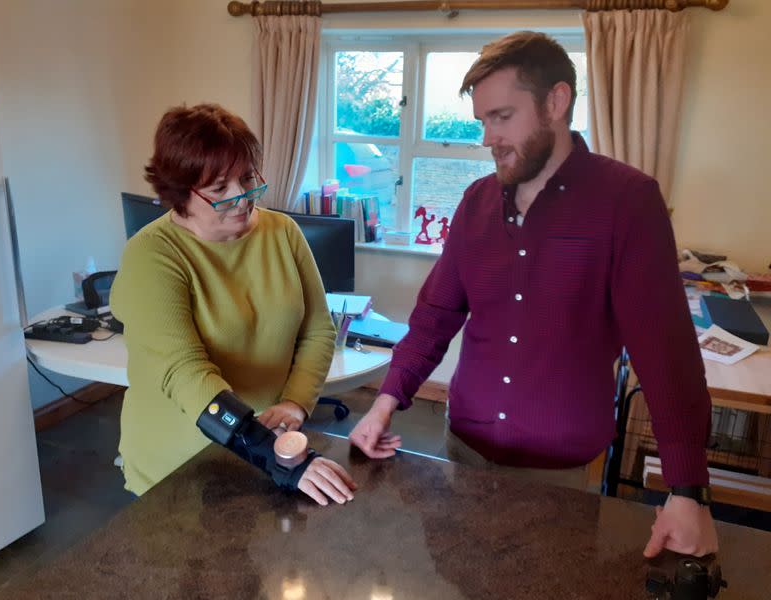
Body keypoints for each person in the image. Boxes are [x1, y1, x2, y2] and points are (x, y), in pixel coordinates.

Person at [349, 32, 718, 557]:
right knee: (458, 579)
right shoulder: (475, 203)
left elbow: (665, 352)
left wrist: (688, 491)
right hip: (463, 449)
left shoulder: (628, 202)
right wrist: (385, 403)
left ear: (556, 102)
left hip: (559, 474)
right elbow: (434, 317)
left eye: (502, 117)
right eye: (482, 121)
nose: (487, 138)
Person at [111, 103, 356, 506]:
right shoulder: (151, 255)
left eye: (246, 178)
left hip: (260, 450)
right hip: (178, 465)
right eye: (220, 188)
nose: (242, 198)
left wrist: (295, 402)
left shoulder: (283, 233)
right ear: (179, 195)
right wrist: (279, 457)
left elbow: (317, 330)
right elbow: (185, 372)